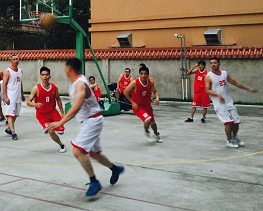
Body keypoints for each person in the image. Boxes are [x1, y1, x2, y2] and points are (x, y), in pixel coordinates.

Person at [47, 58, 124, 197]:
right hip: (88, 121)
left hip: (92, 121)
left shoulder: (80, 84)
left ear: (68, 69)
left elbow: (78, 105)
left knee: (77, 151)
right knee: (95, 154)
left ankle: (94, 182)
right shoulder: (76, 81)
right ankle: (115, 169)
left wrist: (60, 122)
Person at [205, 57, 257, 148]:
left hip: (228, 101)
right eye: (211, 63)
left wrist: (248, 89)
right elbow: (207, 90)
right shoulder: (208, 76)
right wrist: (217, 94)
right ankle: (229, 141)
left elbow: (235, 82)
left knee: (236, 121)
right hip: (219, 103)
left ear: (219, 63)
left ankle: (235, 138)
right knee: (228, 122)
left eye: (215, 63)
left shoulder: (224, 74)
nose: (213, 64)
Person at [26, 67, 66, 153]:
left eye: (46, 75)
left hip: (53, 112)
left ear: (49, 76)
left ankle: (54, 128)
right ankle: (61, 144)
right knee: (51, 131)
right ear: (40, 76)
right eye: (43, 75)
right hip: (42, 114)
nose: (45, 76)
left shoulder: (54, 87)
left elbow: (58, 100)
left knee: (61, 131)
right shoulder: (36, 88)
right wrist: (35, 104)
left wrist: (62, 112)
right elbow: (28, 102)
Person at [123, 64, 163, 143]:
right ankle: (146, 132)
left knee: (153, 123)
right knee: (147, 119)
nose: (143, 75)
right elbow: (125, 92)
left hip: (147, 106)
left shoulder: (150, 83)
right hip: (138, 107)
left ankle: (156, 134)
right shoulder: (134, 82)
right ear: (139, 74)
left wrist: (157, 98)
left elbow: (155, 92)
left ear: (148, 75)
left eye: (145, 74)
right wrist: (132, 102)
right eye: (141, 74)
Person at [3, 54, 25, 140]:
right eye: (14, 59)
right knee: (10, 115)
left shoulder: (20, 71)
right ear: (11, 61)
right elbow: (4, 84)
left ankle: (9, 129)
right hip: (11, 96)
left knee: (15, 114)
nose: (16, 60)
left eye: (17, 59)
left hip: (18, 96)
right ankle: (13, 132)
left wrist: (22, 94)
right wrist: (5, 97)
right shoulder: (7, 71)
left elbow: (20, 83)